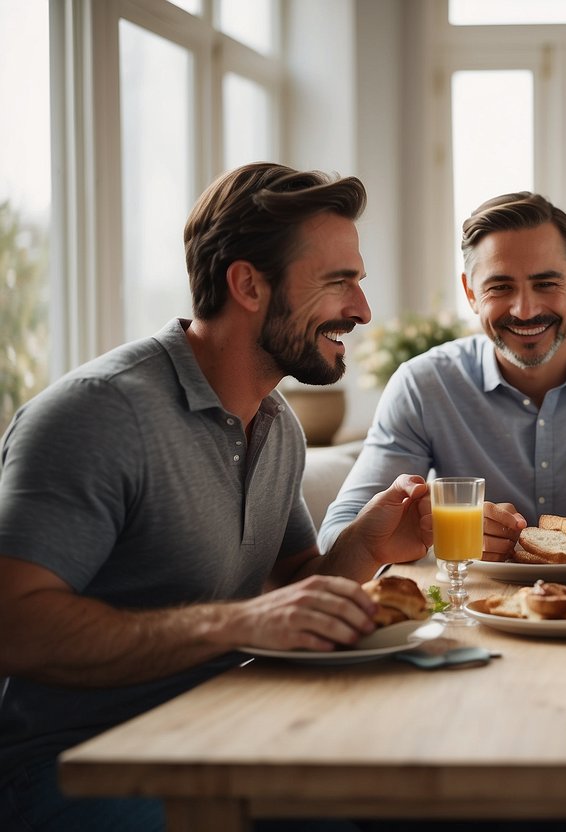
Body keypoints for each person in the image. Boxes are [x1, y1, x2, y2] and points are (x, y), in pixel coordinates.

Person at [0, 162, 436, 831]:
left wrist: (364, 546)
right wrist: (232, 623)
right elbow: (16, 628)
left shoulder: (274, 422)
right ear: (247, 284)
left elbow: (292, 585)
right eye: (338, 281)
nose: (362, 310)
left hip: (227, 735)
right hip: (79, 768)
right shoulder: (98, 415)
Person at [319, 191, 566, 560]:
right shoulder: (423, 385)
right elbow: (335, 539)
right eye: (500, 287)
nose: (525, 310)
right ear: (470, 292)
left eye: (546, 284)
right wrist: (436, 533)